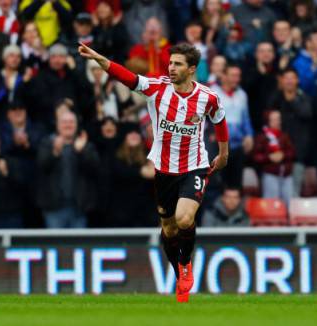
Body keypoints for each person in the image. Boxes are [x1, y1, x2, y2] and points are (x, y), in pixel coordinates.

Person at [78, 41, 229, 302]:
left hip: (195, 165)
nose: (171, 68)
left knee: (184, 219)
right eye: (170, 63)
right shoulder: (157, 88)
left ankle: (185, 265)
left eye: (178, 64)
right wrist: (98, 59)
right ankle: (179, 274)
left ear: (192, 69)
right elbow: (126, 76)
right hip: (164, 169)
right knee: (169, 230)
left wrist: (224, 153)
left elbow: (219, 120)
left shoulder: (208, 97)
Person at [36, 110, 100, 228]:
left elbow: (94, 169)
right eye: (64, 122)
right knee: (56, 245)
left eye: (71, 122)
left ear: (76, 125)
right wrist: (55, 152)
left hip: (79, 208)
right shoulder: (47, 143)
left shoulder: (86, 145)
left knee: (78, 245)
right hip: (54, 208)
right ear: (57, 125)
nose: (68, 125)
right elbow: (41, 166)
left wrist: (81, 152)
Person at [267, 68, 313, 197]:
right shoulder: (275, 97)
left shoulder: (303, 98)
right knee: (273, 195)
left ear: (297, 80)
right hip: (276, 153)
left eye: (292, 78)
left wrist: (292, 100)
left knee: (293, 194)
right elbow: (268, 118)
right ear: (281, 80)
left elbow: (307, 113)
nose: (289, 81)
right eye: (286, 78)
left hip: (298, 154)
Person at [210, 64, 253, 188]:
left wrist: (249, 135)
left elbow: (246, 118)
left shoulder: (242, 94)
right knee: (218, 184)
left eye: (238, 76)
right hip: (217, 146)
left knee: (236, 184)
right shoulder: (213, 92)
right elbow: (204, 117)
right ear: (223, 76)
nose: (237, 79)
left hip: (238, 146)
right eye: (233, 76)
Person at [253, 110, 295, 207]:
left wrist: (283, 155)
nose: (278, 122)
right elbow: (255, 156)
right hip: (270, 174)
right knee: (271, 205)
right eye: (275, 119)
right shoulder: (262, 137)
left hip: (286, 174)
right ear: (268, 121)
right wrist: (269, 157)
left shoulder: (284, 136)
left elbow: (292, 152)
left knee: (289, 204)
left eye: (279, 119)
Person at [293, 30, 317, 97]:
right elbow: (304, 86)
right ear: (308, 43)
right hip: (309, 100)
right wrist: (313, 67)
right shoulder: (298, 62)